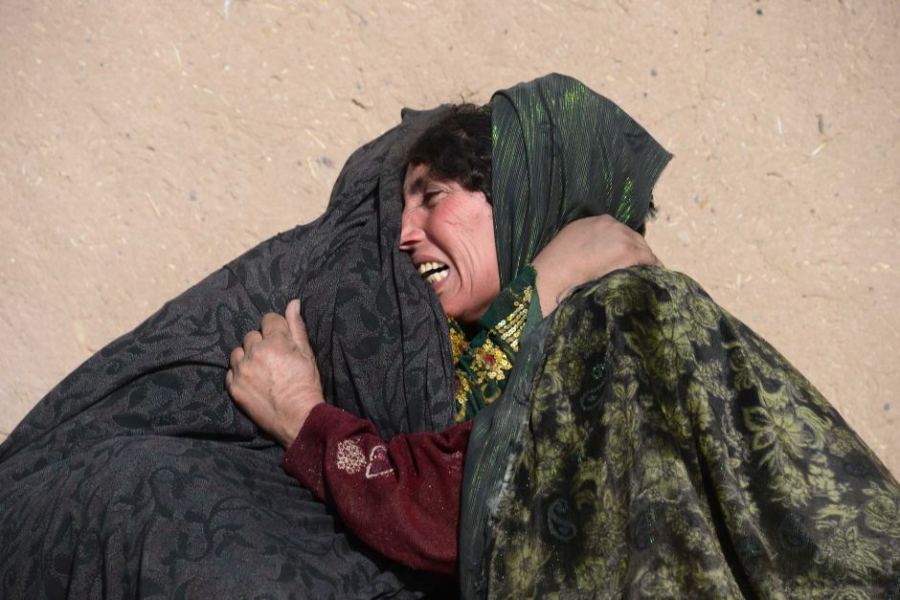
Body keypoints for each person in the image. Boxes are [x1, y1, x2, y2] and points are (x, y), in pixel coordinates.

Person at [228, 74, 900, 598]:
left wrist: (303, 419)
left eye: (432, 198)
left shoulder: (629, 315)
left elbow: (464, 504)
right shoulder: (490, 345)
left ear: (522, 195)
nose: (405, 234)